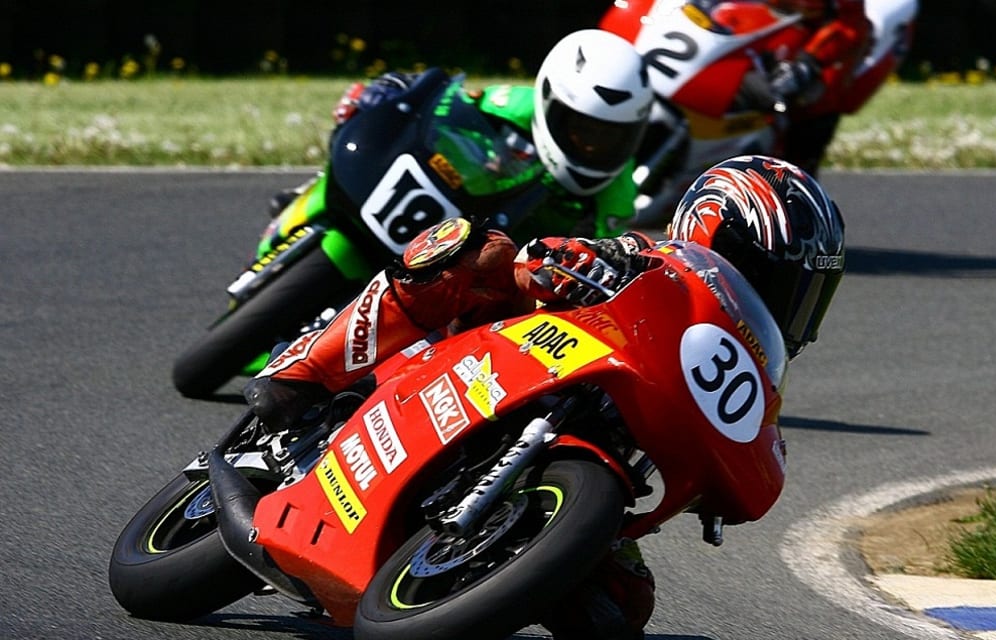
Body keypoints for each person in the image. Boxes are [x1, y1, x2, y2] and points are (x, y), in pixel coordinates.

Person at [243, 154, 846, 639]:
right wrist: (567, 261)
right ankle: (307, 370)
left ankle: (471, 562)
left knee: (623, 608)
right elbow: (542, 259)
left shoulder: (752, 367)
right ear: (717, 232)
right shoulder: (643, 257)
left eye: (808, 292)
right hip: (497, 357)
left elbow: (755, 452)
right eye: (781, 279)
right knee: (477, 251)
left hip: (580, 449)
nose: (791, 302)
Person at [271, 28, 655, 240]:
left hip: (509, 259)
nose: (591, 144)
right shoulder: (511, 105)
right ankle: (315, 189)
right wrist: (396, 90)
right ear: (548, 101)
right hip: (463, 207)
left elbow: (596, 258)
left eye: (611, 137)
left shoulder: (619, 195)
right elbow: (442, 111)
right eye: (581, 128)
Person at [764, 0, 873, 174]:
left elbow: (849, 25)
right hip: (756, 51)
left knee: (792, 169)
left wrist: (807, 64)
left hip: (812, 73)